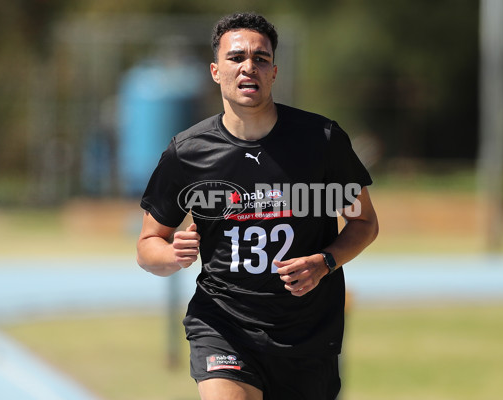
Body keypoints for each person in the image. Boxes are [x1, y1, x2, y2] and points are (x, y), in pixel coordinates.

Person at [137, 12, 379, 400]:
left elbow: (364, 222)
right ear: (216, 71)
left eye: (260, 58)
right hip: (223, 326)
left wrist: (325, 262)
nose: (248, 67)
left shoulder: (321, 140)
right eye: (236, 58)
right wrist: (171, 254)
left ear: (274, 72)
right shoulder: (187, 152)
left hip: (307, 335)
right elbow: (147, 245)